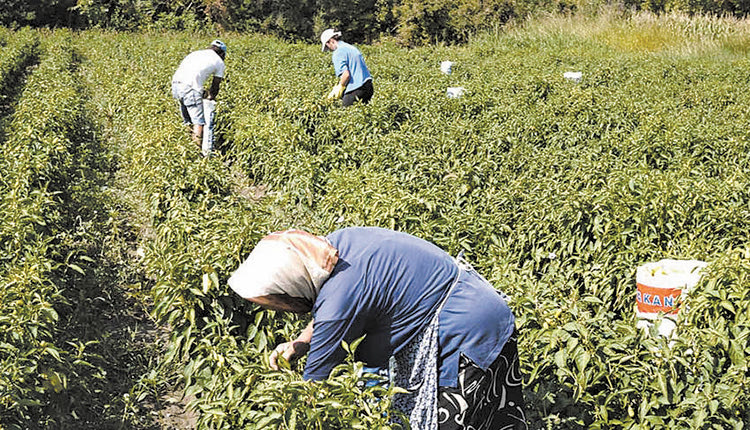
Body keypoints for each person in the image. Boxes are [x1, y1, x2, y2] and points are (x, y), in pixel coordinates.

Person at [228, 227, 527, 430]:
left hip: (463, 331)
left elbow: (313, 387)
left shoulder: (337, 302)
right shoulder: (330, 250)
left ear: (292, 285)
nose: (284, 308)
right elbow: (336, 299)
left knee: (451, 417)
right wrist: (299, 343)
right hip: (479, 305)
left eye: (280, 301)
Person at [171, 40, 227, 145]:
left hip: (176, 85)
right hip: (190, 88)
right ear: (222, 53)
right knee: (198, 123)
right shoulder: (219, 62)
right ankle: (195, 153)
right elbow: (215, 87)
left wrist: (202, 93)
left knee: (187, 121)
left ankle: (185, 147)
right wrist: (211, 96)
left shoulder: (196, 53)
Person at [320, 29, 374, 107]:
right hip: (368, 87)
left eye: (327, 46)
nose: (329, 49)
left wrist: (340, 87)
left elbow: (346, 75)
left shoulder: (338, 52)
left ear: (331, 40)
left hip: (356, 88)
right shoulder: (351, 48)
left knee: (345, 114)